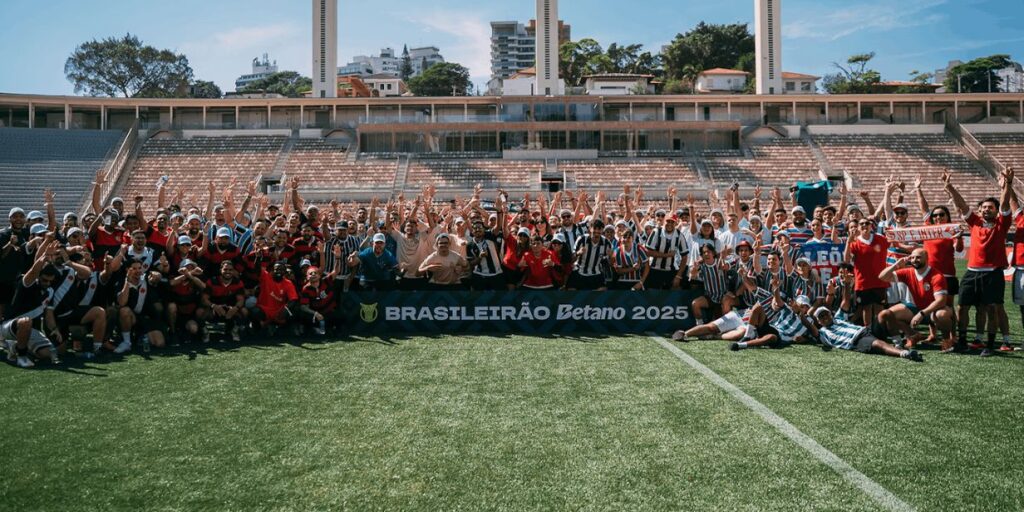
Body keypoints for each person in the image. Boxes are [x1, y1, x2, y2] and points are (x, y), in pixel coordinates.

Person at [943, 168, 1013, 356]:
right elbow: (962, 204)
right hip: (972, 272)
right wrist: (950, 187)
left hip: (993, 273)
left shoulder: (1002, 223)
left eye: (990, 207)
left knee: (991, 308)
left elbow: (1005, 202)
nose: (985, 210)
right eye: (983, 208)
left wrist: (1007, 184)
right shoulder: (974, 222)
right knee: (962, 306)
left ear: (996, 211)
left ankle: (989, 346)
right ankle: (963, 342)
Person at [877, 248, 956, 350]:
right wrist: (896, 265)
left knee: (942, 315)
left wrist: (922, 313)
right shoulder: (908, 272)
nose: (914, 260)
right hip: (916, 308)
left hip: (933, 311)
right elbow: (882, 277)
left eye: (918, 257)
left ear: (927, 258)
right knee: (887, 315)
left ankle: (947, 340)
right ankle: (913, 335)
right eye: (912, 257)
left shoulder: (936, 275)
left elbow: (941, 301)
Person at [811, 307, 923, 362]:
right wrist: (800, 314)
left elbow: (845, 302)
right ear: (818, 322)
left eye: (826, 314)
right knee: (879, 343)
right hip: (856, 340)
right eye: (821, 317)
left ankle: (898, 345)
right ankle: (905, 354)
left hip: (866, 330)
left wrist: (846, 284)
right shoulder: (822, 333)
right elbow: (810, 327)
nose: (825, 317)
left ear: (831, 314)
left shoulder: (838, 318)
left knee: (886, 313)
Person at [844, 217, 890, 327]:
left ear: (871, 226)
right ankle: (868, 330)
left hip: (880, 280)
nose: (864, 225)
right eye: (862, 224)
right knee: (866, 308)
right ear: (858, 227)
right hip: (863, 282)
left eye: (867, 223)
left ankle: (880, 329)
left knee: (880, 307)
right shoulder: (855, 243)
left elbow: (895, 244)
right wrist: (848, 241)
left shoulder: (881, 239)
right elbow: (846, 259)